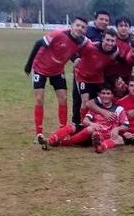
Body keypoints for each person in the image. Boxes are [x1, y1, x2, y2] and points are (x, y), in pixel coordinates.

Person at [24, 16, 88, 145]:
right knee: (39, 99)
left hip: (57, 71)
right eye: (78, 25)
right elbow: (38, 43)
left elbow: (68, 51)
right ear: (71, 26)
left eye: (83, 27)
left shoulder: (81, 42)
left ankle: (62, 132)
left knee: (63, 98)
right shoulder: (58, 34)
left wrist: (75, 59)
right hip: (40, 68)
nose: (80, 29)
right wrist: (28, 65)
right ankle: (39, 133)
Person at [46, 85, 128, 153]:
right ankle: (49, 141)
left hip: (104, 135)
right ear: (99, 95)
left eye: (108, 93)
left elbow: (126, 125)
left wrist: (117, 129)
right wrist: (92, 124)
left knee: (119, 139)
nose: (105, 96)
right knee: (73, 126)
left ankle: (100, 146)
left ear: (112, 96)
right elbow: (85, 121)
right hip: (88, 133)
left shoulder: (119, 109)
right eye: (103, 93)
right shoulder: (96, 108)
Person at [72, 28, 121, 125]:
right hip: (83, 77)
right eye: (107, 40)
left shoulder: (115, 52)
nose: (110, 43)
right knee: (85, 102)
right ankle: (83, 124)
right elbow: (73, 49)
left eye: (112, 41)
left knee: (102, 101)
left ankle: (100, 123)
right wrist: (75, 58)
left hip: (98, 78)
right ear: (102, 39)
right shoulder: (90, 47)